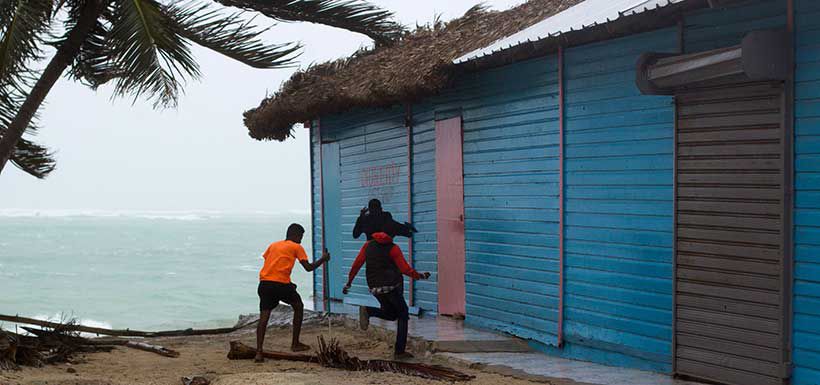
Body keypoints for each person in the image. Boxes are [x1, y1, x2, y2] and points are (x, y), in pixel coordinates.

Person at [343, 231, 430, 360]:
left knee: (391, 314)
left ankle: (368, 310)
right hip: (391, 287)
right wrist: (420, 276)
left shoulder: (367, 245)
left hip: (375, 288)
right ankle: (399, 351)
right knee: (403, 314)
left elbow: (357, 264)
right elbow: (404, 269)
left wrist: (349, 282)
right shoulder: (393, 248)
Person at [255, 223, 329, 363]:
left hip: (264, 284)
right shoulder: (296, 247)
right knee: (298, 306)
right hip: (281, 284)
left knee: (264, 317)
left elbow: (272, 263)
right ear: (294, 235)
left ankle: (259, 352)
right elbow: (308, 268)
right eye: (300, 236)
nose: (301, 239)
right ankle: (295, 344)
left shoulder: (273, 245)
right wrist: (323, 259)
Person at [353, 199, 417, 240]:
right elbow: (396, 227)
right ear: (381, 208)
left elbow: (355, 235)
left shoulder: (365, 219)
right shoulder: (385, 217)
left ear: (369, 209)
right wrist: (408, 230)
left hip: (371, 253)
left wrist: (360, 218)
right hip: (386, 251)